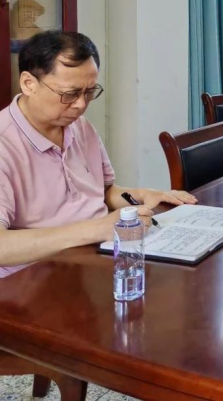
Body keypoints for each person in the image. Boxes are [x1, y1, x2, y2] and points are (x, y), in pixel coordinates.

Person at [0, 31, 196, 279]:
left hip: (93, 263)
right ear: (29, 83)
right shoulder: (5, 143)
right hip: (34, 280)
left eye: (89, 92)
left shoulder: (80, 126)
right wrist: (96, 229)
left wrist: (143, 195)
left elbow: (102, 192)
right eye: (70, 94)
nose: (81, 105)